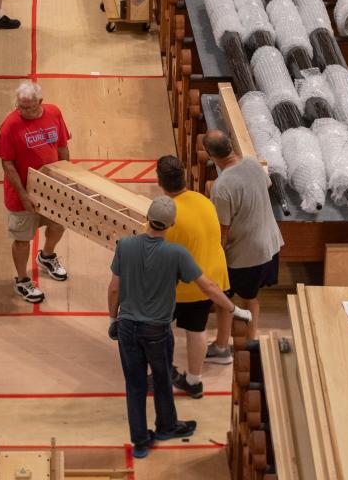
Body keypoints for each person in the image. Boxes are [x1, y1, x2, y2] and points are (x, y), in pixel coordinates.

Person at [107, 196, 251, 459]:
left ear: (147, 218)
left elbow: (114, 288)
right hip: (156, 331)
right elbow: (208, 286)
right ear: (171, 224)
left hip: (127, 327)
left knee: (135, 385)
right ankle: (166, 427)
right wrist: (234, 309)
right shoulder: (176, 254)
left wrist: (112, 319)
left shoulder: (125, 246)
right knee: (162, 380)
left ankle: (140, 442)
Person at [155, 155, 232, 400]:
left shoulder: (168, 215)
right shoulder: (203, 200)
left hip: (184, 286)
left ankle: (162, 374)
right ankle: (194, 381)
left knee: (158, 327)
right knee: (196, 329)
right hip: (212, 277)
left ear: (160, 181)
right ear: (184, 177)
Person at [202, 130, 283, 350]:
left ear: (210, 154)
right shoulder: (253, 164)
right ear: (231, 144)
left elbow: (223, 231)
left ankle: (220, 346)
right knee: (252, 298)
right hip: (271, 245)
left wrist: (213, 262)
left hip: (246, 255)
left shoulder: (222, 187)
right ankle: (250, 341)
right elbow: (266, 185)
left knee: (224, 300)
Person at [0, 82, 70, 303]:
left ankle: (46, 256)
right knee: (23, 238)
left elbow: (63, 147)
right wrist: (24, 195)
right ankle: (23, 280)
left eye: (28, 107)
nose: (23, 111)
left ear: (40, 103)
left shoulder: (54, 113)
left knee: (58, 225)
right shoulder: (9, 126)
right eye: (20, 106)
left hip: (51, 188)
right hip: (23, 193)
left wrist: (68, 179)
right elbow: (7, 164)